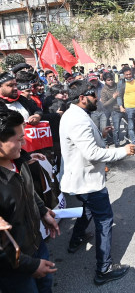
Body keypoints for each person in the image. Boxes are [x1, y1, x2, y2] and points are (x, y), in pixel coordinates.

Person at [59, 81, 135, 286]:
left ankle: (75, 240)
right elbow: (92, 153)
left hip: (81, 180)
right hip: (88, 182)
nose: (97, 97)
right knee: (104, 220)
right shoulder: (78, 120)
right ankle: (104, 270)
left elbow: (83, 145)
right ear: (81, 98)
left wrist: (100, 135)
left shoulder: (73, 114)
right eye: (93, 94)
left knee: (87, 209)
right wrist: (123, 151)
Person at [0, 108, 60, 293]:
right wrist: (30, 265)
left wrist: (43, 212)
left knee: (45, 286)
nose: (24, 142)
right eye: (18, 139)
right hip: (14, 264)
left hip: (36, 244)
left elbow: (30, 191)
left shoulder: (19, 161)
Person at [117, 67, 135, 146]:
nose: (128, 76)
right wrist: (121, 106)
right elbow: (119, 96)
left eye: (129, 74)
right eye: (126, 75)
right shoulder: (121, 83)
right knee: (131, 126)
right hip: (128, 107)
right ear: (124, 75)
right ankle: (134, 142)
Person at [101, 72, 123, 148]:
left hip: (122, 108)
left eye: (112, 79)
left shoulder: (117, 86)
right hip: (113, 110)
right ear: (105, 81)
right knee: (116, 129)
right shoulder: (104, 90)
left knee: (131, 125)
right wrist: (113, 98)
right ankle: (116, 144)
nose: (111, 81)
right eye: (108, 80)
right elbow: (104, 104)